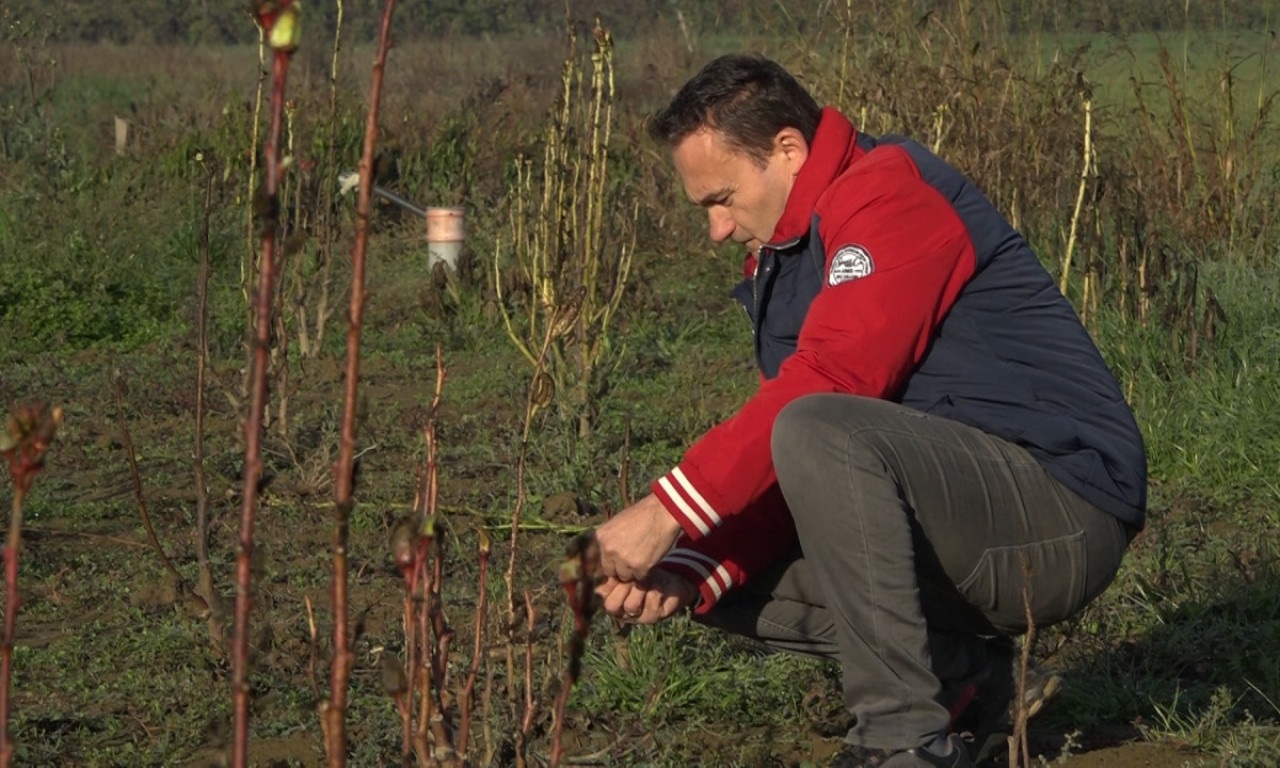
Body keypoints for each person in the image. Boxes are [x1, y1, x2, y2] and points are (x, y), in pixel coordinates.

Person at [591, 54, 1145, 768]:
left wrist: (667, 508)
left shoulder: (889, 194)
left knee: (809, 427)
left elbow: (832, 389)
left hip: (1063, 510)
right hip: (967, 514)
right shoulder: (788, 260)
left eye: (721, 199)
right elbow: (798, 462)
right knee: (708, 558)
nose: (717, 230)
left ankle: (902, 740)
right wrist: (691, 560)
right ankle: (974, 682)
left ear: (788, 151)